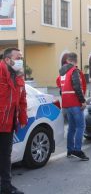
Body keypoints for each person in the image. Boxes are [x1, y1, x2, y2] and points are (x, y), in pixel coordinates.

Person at [0, 47, 27, 194]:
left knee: (5, 155)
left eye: (21, 57)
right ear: (7, 59)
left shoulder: (19, 76)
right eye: (17, 57)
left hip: (9, 123)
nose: (20, 60)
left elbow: (22, 99)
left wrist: (22, 117)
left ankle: (6, 186)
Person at [56, 53, 89, 161]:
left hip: (66, 104)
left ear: (67, 60)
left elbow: (60, 87)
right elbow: (77, 86)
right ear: (75, 61)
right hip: (75, 103)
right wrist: (82, 101)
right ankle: (78, 150)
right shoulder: (74, 71)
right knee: (80, 127)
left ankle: (70, 150)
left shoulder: (62, 73)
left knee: (71, 128)